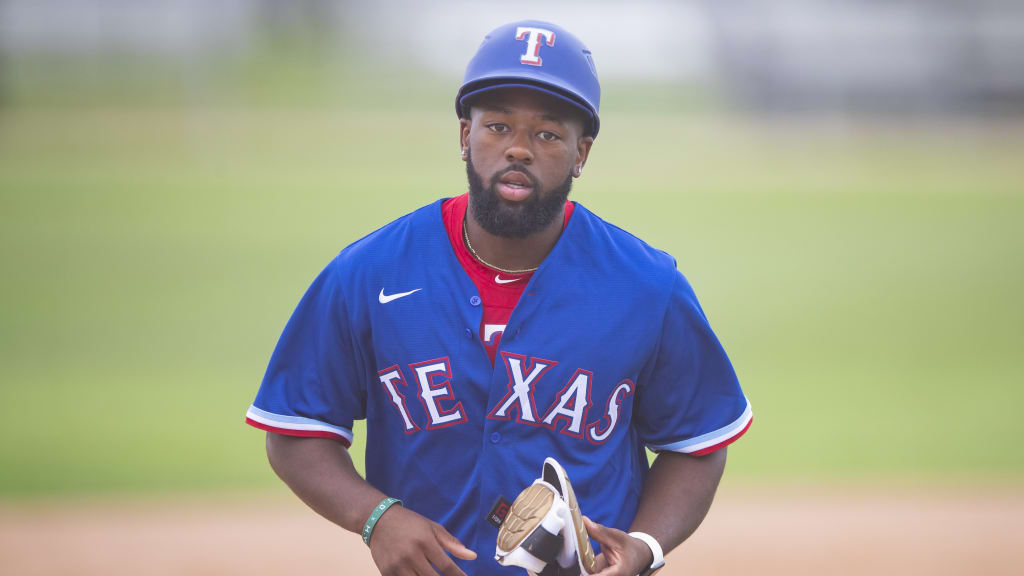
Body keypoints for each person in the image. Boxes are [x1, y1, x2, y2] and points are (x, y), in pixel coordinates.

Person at [245, 20, 751, 576]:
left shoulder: (647, 286)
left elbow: (697, 441)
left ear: (581, 153)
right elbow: (296, 430)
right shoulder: (370, 272)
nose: (518, 149)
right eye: (498, 126)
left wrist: (644, 547)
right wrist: (377, 517)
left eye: (548, 134)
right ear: (465, 136)